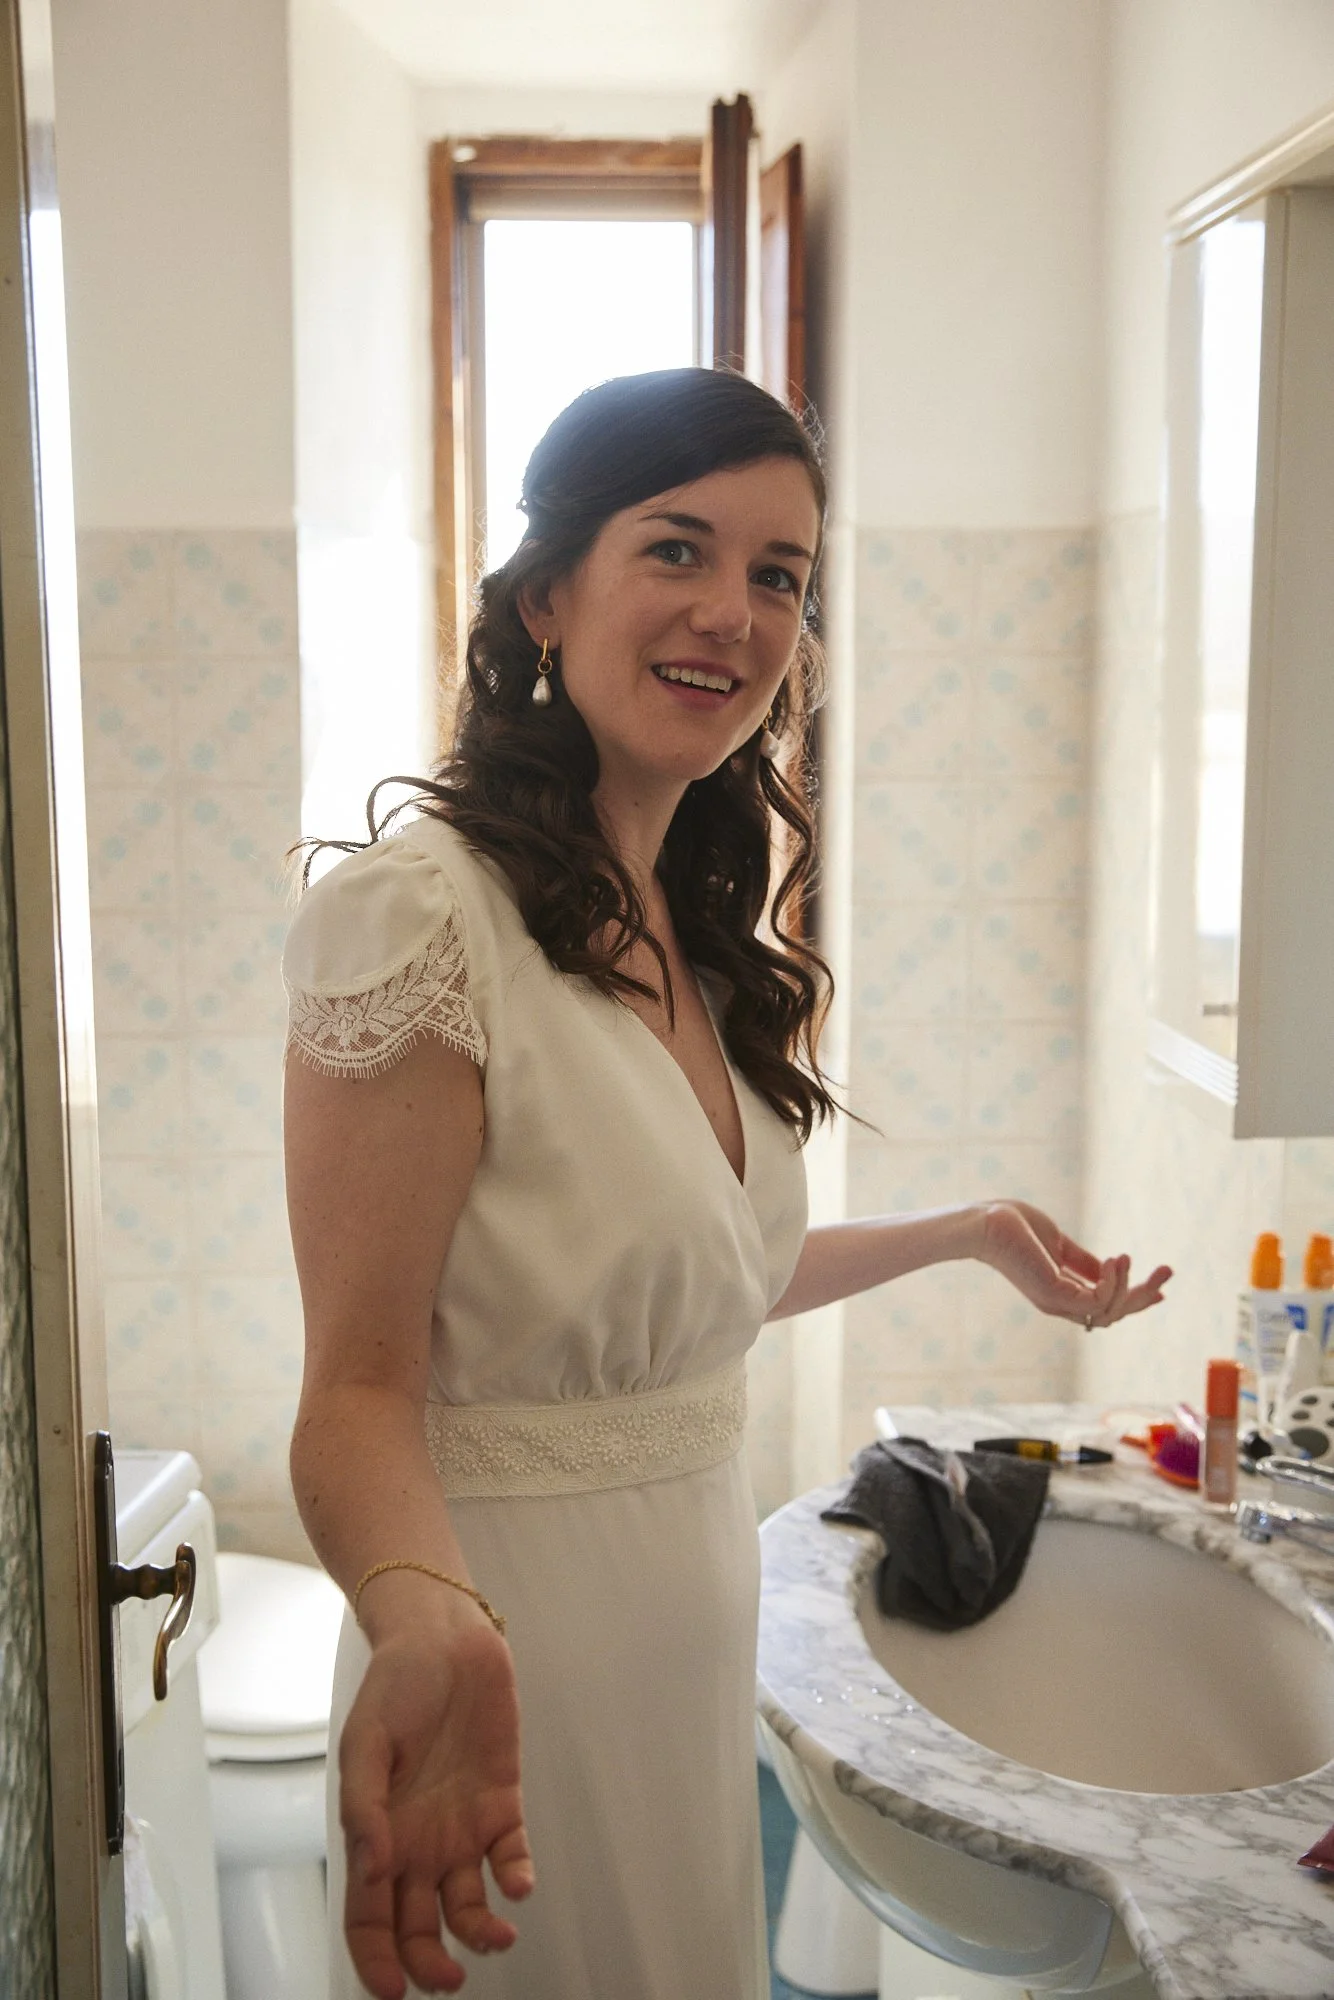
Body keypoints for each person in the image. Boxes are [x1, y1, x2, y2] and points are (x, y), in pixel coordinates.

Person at [280, 367, 1172, 2000]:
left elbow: (690, 1284)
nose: (733, 613)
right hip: (504, 1652)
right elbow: (351, 1389)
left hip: (684, 1635)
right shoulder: (418, 919)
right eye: (676, 551)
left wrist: (966, 1238)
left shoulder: (684, 925)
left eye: (780, 575)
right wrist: (427, 1625)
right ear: (548, 595)